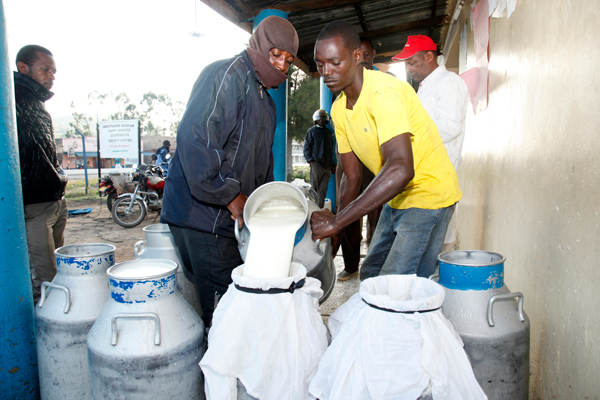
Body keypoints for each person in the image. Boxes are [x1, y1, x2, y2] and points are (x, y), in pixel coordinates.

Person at [160, 16, 298, 326]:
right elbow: (197, 140)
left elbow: (261, 164)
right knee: (222, 312)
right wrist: (231, 194)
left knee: (236, 301)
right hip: (202, 216)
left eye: (288, 60)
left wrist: (266, 201)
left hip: (228, 217)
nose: (282, 66)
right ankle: (216, 369)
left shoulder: (265, 98)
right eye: (276, 54)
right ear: (259, 45)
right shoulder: (226, 76)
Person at [311, 21, 462, 280]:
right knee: (371, 273)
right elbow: (350, 176)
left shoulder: (385, 92)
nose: (327, 72)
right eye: (320, 64)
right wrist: (338, 228)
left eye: (335, 62)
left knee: (398, 285)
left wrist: (337, 222)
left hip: (428, 193)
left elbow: (401, 168)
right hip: (398, 196)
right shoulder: (338, 109)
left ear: (357, 56)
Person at [393, 35, 469, 252]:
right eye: (406, 64)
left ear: (429, 56)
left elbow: (449, 127)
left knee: (436, 245)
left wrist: (407, 133)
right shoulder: (426, 86)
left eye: (411, 62)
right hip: (426, 177)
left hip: (439, 176)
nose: (408, 68)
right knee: (426, 245)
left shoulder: (449, 82)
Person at [14, 45, 68, 302]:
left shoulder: (36, 102)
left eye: (54, 71)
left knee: (60, 272)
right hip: (33, 203)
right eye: (45, 69)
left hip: (54, 199)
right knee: (45, 279)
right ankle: (40, 334)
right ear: (23, 68)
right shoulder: (11, 99)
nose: (51, 76)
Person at [303, 109, 335, 208]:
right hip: (317, 164)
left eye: (323, 118)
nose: (321, 120)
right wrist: (311, 161)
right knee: (314, 189)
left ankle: (319, 209)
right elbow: (306, 148)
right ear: (316, 120)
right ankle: (312, 209)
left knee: (323, 190)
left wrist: (332, 165)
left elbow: (331, 150)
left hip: (327, 167)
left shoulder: (329, 133)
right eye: (319, 119)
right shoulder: (311, 131)